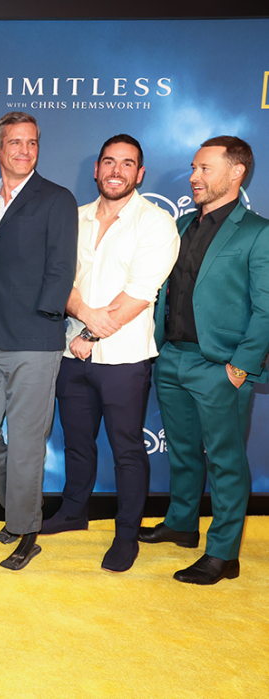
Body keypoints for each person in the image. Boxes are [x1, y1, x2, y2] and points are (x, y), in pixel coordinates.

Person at [42, 135, 179, 573]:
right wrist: (81, 319)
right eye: (109, 162)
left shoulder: (155, 223)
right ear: (97, 169)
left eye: (127, 164)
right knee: (78, 443)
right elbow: (57, 278)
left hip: (124, 357)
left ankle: (126, 535)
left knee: (126, 449)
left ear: (139, 174)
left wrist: (92, 334)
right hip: (71, 353)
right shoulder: (73, 218)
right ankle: (73, 511)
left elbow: (140, 292)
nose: (116, 170)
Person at [140, 136, 269, 585]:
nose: (194, 177)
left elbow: (267, 308)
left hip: (220, 367)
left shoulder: (258, 232)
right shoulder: (180, 227)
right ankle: (181, 524)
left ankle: (224, 554)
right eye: (193, 168)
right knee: (182, 451)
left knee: (226, 462)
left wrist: (239, 368)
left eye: (205, 169)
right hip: (172, 357)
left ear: (236, 174)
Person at [0, 112, 78, 570]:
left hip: (34, 334)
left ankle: (27, 530)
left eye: (31, 143)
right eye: (15, 143)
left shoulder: (56, 199)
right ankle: (22, 505)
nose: (24, 150)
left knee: (29, 440)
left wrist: (44, 318)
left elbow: (61, 267)